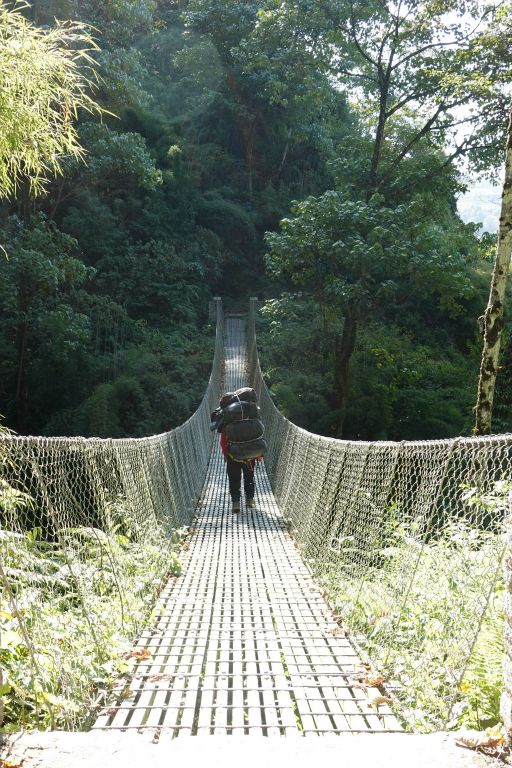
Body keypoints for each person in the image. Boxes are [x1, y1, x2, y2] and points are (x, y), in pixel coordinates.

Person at [220, 429, 261, 513]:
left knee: (234, 479)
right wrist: (258, 455)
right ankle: (249, 499)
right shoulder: (252, 417)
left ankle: (236, 503)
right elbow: (258, 437)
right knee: (249, 477)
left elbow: (223, 439)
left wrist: (225, 453)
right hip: (250, 456)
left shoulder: (229, 419)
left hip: (232, 454)